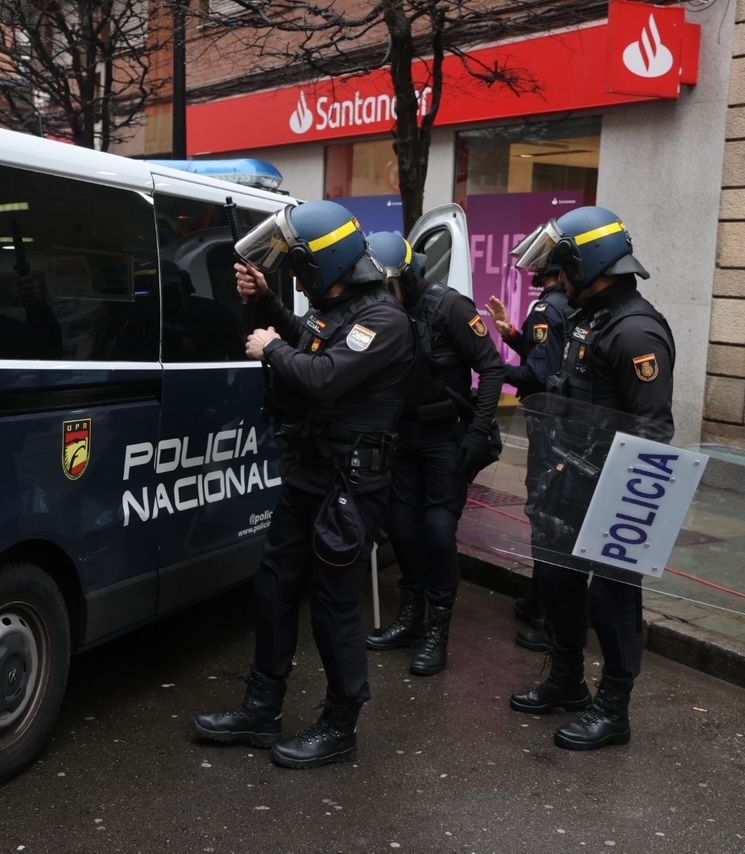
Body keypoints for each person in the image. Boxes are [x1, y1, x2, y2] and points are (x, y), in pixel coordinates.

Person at [191, 200, 415, 769]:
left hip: (350, 486)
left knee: (335, 608)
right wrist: (264, 300)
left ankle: (340, 727)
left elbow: (324, 376)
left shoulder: (383, 320)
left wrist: (272, 348)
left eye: (300, 269)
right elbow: (311, 343)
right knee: (272, 588)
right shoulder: (334, 308)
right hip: (309, 472)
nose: (297, 278)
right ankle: (260, 709)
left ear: (328, 265)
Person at [506, 205, 675, 751]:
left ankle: (614, 707)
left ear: (592, 263)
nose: (557, 276)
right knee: (556, 584)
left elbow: (652, 430)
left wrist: (625, 511)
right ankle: (567, 679)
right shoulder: (589, 318)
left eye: (564, 265)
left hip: (611, 490)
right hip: (568, 481)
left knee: (612, 599)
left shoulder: (635, 330)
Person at [363, 232, 503, 676]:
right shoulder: (379, 312)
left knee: (438, 531)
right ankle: (411, 616)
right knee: (402, 528)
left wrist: (478, 434)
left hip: (446, 439)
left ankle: (437, 629)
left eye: (389, 286)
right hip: (401, 439)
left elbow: (491, 367)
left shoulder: (450, 307)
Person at [487, 264, 568, 653]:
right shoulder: (567, 305)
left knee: (544, 513)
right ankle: (541, 601)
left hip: (548, 424)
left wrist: (489, 364)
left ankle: (548, 617)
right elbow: (546, 360)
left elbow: (536, 375)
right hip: (563, 426)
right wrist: (514, 337)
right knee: (550, 512)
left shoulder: (546, 309)